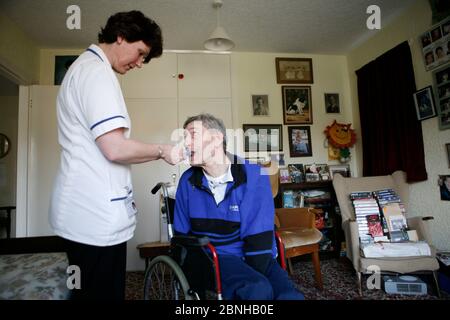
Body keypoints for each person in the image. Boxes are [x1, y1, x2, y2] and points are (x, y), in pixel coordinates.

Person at [49, 11, 183, 300]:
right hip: (92, 219)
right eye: (140, 53)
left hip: (84, 213)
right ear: (121, 36)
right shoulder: (96, 74)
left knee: (85, 290)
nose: (139, 63)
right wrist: (163, 150)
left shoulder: (86, 68)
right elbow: (115, 148)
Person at [174, 113, 304, 300]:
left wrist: (258, 273)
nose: (186, 143)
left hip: (256, 253)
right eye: (184, 137)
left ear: (217, 138)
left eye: (192, 135)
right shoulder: (188, 181)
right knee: (257, 289)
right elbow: (182, 236)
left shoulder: (253, 174)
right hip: (215, 257)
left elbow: (258, 234)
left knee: (288, 296)